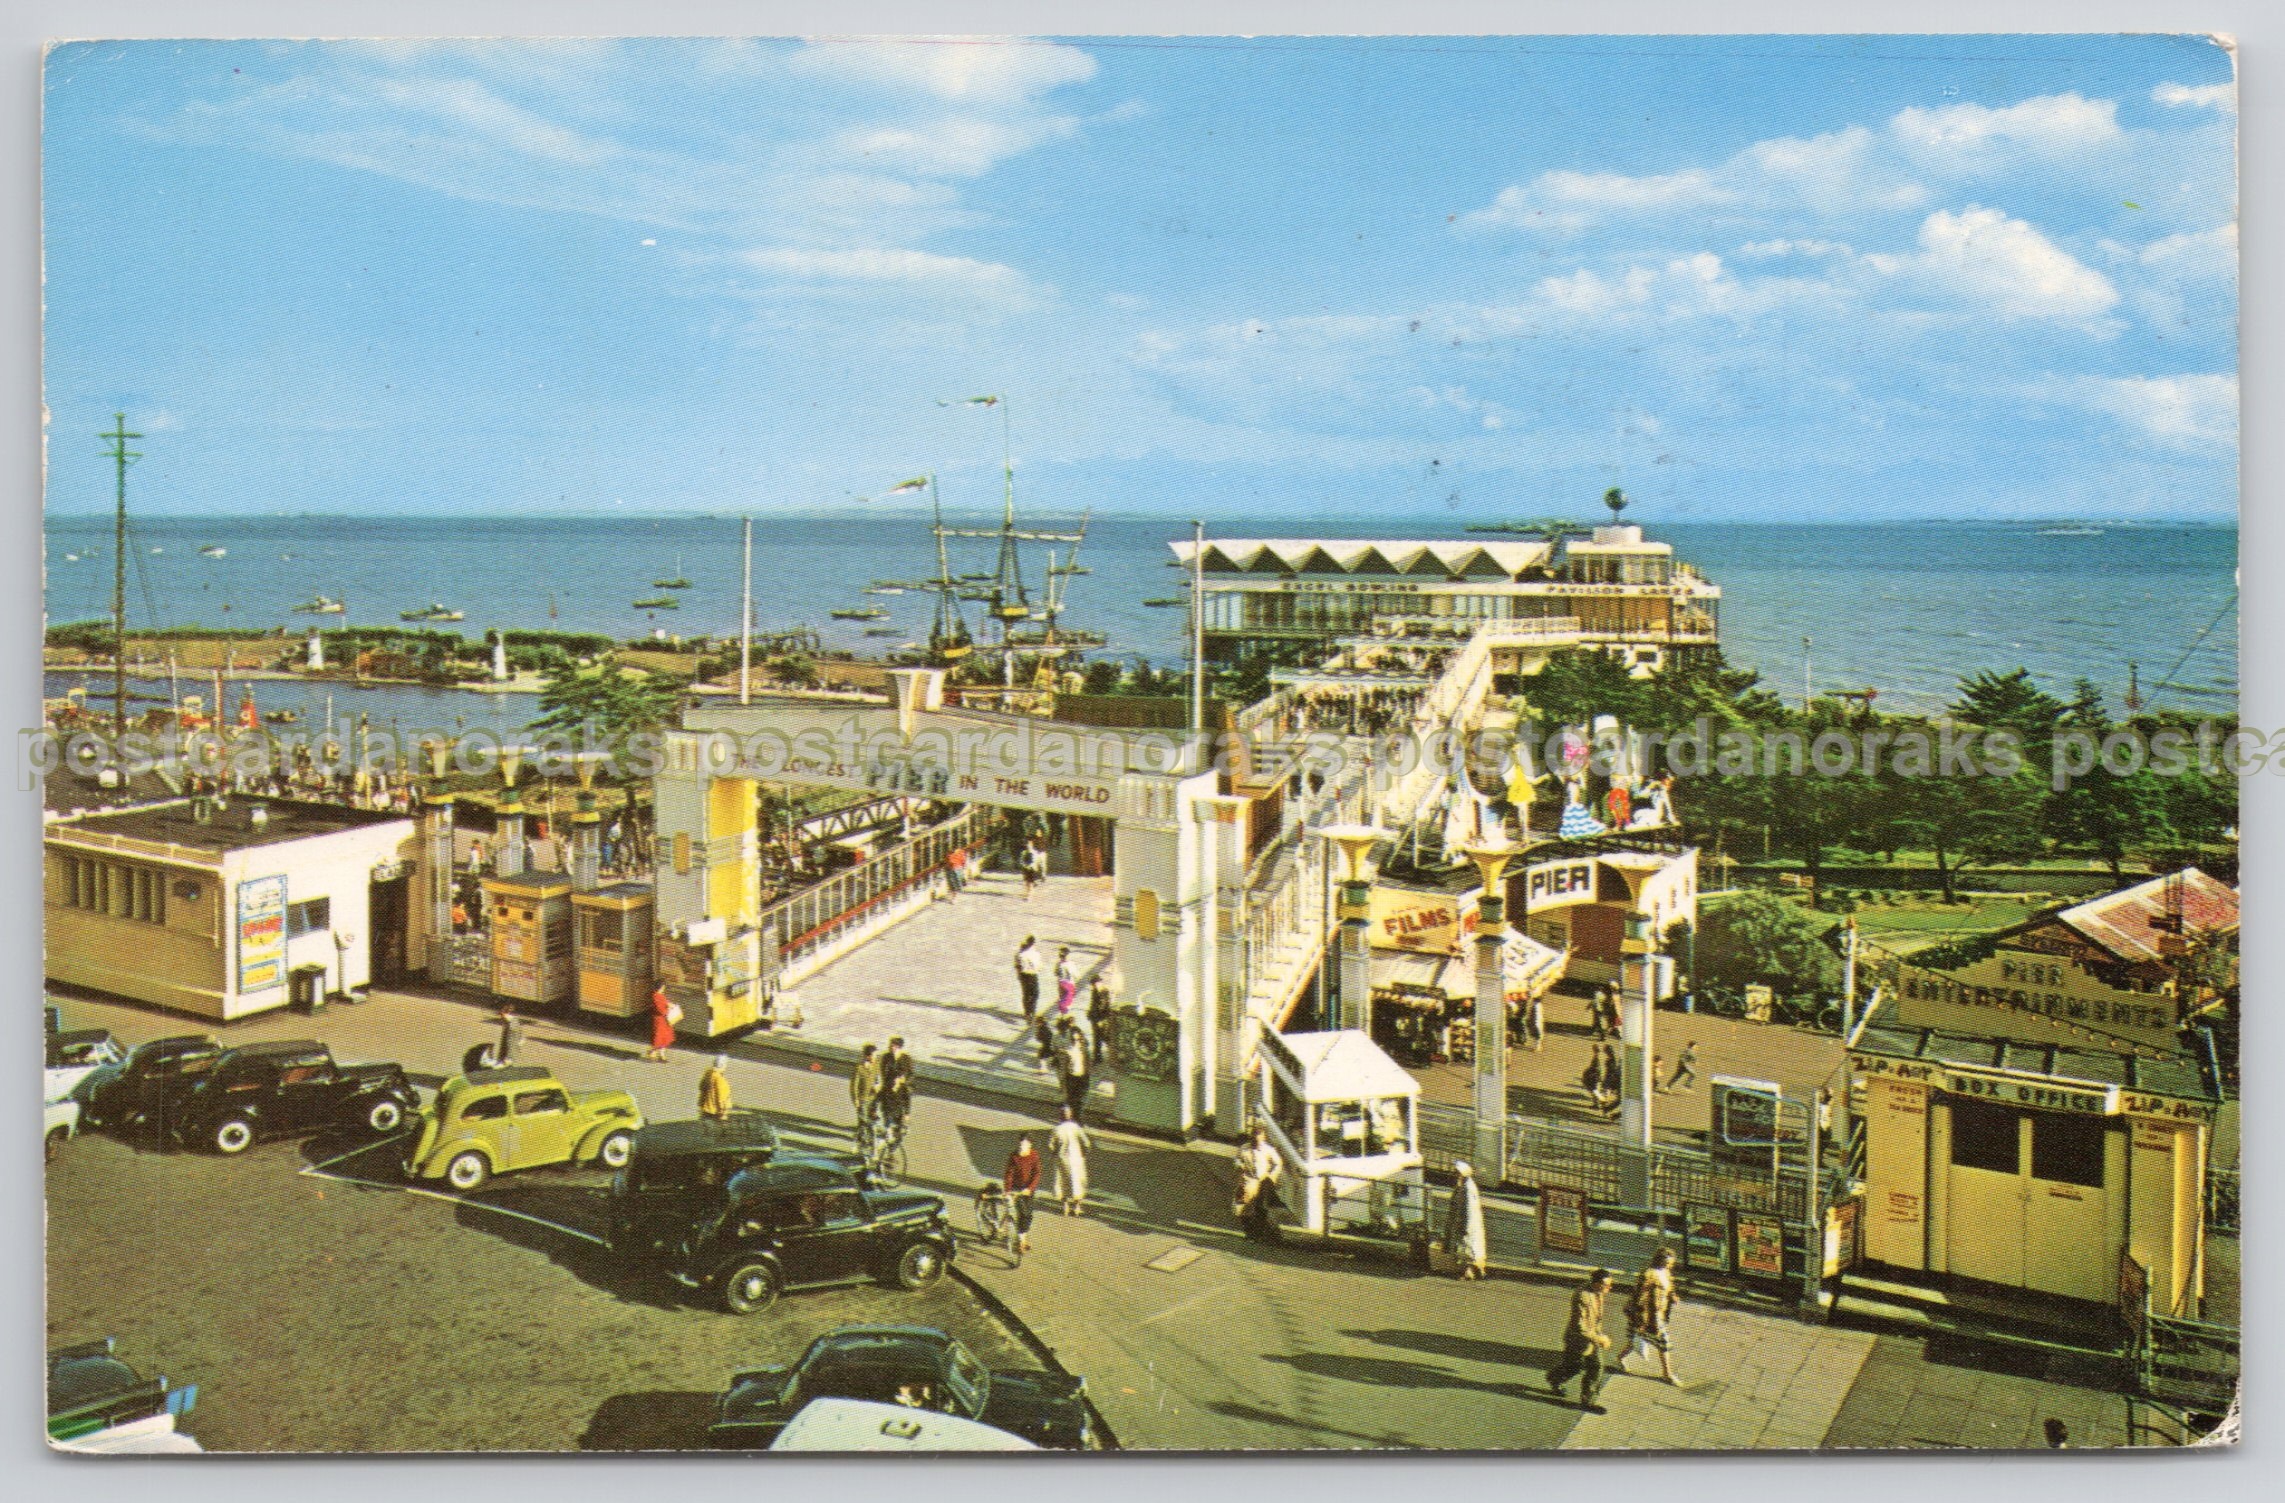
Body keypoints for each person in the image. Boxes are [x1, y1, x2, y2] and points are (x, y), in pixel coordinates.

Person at [1545, 1268, 1615, 1410]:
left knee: (1596, 1366)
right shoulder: (1582, 1296)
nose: (1610, 1288)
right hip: (1577, 1340)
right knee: (1574, 1367)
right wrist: (1599, 1338)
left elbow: (1595, 1319)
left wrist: (1599, 1335)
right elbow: (1579, 1326)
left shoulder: (1598, 1292)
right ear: (1597, 1284)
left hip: (1591, 1338)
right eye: (1607, 1285)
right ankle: (1555, 1378)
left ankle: (1587, 1400)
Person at [1615, 1247, 1682, 1385]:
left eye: (1671, 1263)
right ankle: (1667, 1374)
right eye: (1668, 1263)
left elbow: (1668, 1286)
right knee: (1663, 1342)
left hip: (1658, 1314)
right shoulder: (1649, 1274)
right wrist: (1640, 1320)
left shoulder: (1665, 1272)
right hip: (1648, 1317)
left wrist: (1672, 1295)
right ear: (1660, 1261)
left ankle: (1618, 1359)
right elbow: (1639, 1297)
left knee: (1635, 1342)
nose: (1670, 1265)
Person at [1235, 1123, 1283, 1242]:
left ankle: (1258, 1235)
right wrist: (1239, 1165)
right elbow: (1237, 1159)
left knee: (1261, 1208)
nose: (1256, 1139)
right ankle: (1249, 1232)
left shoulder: (1268, 1150)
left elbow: (1278, 1163)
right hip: (1248, 1180)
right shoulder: (1244, 1148)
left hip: (1262, 1181)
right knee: (1241, 1207)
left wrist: (1271, 1177)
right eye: (1254, 1136)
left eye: (1259, 1136)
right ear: (1251, 1136)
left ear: (1263, 1137)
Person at [1444, 1160, 1489, 1280]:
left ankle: (1469, 1273)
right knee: (1472, 1247)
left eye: (1457, 1173)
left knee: (1469, 1247)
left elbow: (1469, 1208)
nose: (1455, 1175)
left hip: (1469, 1224)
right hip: (1467, 1222)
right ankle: (1479, 1270)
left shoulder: (1468, 1188)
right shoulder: (1463, 1186)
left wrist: (1465, 1226)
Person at [1002, 1134, 1042, 1254]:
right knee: (1023, 1213)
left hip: (1029, 1190)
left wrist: (1030, 1188)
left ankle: (1022, 1236)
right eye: (1020, 1144)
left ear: (1029, 1145)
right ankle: (1021, 1241)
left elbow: (1037, 1173)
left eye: (1024, 1144)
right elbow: (1009, 1174)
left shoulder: (1034, 1156)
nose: (1021, 1146)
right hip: (1016, 1189)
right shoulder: (1014, 1157)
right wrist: (1008, 1191)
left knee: (1029, 1215)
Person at [1049, 1105, 1091, 1216]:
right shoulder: (1076, 1127)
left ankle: (1065, 1206)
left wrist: (1055, 1154)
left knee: (1062, 1181)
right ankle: (1077, 1207)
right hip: (1076, 1159)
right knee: (1077, 1182)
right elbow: (1087, 1143)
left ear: (1060, 1116)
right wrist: (1083, 1155)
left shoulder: (1057, 1129)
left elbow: (1050, 1145)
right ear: (1070, 1115)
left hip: (1062, 1159)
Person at [879, 1036, 915, 1137]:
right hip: (889, 1087)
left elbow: (911, 1074)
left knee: (901, 1108)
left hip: (902, 1088)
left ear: (899, 1047)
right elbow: (881, 1071)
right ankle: (887, 1128)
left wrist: (903, 1080)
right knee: (886, 1108)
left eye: (893, 1046)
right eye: (890, 1045)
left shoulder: (906, 1059)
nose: (891, 1048)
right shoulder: (886, 1057)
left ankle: (903, 1123)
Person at [1058, 1021, 1092, 1121]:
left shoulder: (1085, 1050)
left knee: (1081, 1100)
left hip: (1082, 1077)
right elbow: (1064, 1065)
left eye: (1078, 1039)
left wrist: (1087, 1076)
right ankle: (1072, 1119)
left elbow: (1088, 1064)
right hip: (1071, 1077)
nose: (1076, 1042)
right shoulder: (1069, 1049)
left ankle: (1078, 1120)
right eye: (1073, 1040)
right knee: (1071, 1100)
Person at [850, 1043, 883, 1141]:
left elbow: (880, 1077)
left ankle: (871, 1138)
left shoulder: (877, 1064)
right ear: (867, 1056)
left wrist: (879, 1085)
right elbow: (854, 1085)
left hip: (874, 1098)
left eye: (876, 1055)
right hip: (862, 1099)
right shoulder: (859, 1068)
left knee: (873, 1119)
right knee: (863, 1121)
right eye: (874, 1055)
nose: (876, 1057)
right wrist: (855, 1099)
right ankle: (860, 1140)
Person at [646, 983, 679, 1062]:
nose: (664, 988)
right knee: (659, 1038)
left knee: (664, 1039)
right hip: (660, 1020)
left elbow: (664, 1003)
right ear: (660, 987)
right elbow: (660, 1009)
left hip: (664, 1020)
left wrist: (669, 1004)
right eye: (663, 987)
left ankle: (661, 1056)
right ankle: (654, 1053)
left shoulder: (659, 995)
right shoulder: (656, 996)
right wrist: (669, 1009)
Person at [698, 1053, 733, 1123]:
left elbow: (701, 1087)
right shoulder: (720, 1079)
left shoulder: (708, 1074)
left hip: (705, 1110)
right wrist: (723, 1114)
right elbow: (721, 1099)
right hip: (715, 1113)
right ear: (723, 1065)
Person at [1014, 937, 1042, 1021]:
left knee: (1032, 994)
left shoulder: (1032, 953)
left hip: (1029, 975)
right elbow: (1018, 965)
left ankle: (1029, 1011)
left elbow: (1017, 965)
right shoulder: (1022, 954)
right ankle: (1029, 1012)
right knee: (1031, 994)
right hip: (1028, 975)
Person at [1088, 973, 1113, 1062]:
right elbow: (1093, 1004)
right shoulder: (1094, 991)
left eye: (1094, 984)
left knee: (1106, 1037)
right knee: (1097, 1038)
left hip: (1102, 1019)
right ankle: (1097, 1058)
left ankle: (1114, 1056)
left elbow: (1103, 1006)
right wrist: (1090, 1013)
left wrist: (1100, 1019)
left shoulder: (1104, 991)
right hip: (1095, 1019)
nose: (1094, 986)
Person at [494, 1003, 524, 1067]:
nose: (501, 1018)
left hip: (510, 1036)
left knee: (508, 1050)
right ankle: (504, 1061)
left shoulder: (511, 1020)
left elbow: (514, 1030)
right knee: (507, 1050)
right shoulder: (513, 1019)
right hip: (510, 1035)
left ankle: (504, 1062)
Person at [1054, 947, 1078, 1017]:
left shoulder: (1058, 964)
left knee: (1062, 999)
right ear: (1067, 955)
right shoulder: (1071, 964)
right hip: (1069, 984)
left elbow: (1056, 973)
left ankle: (1062, 1015)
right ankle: (1066, 1017)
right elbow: (1076, 975)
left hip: (1061, 984)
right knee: (1068, 1002)